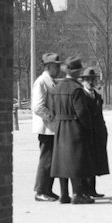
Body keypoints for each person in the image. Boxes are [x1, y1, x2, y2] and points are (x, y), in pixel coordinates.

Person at [49, 58, 90, 203]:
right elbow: (82, 112)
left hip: (60, 127)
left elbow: (52, 110)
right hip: (74, 127)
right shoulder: (76, 89)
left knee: (62, 161)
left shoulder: (56, 88)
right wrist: (88, 127)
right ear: (77, 72)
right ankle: (77, 194)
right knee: (75, 161)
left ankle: (64, 194)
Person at [30, 52, 62, 202]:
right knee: (46, 160)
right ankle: (40, 190)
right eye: (56, 66)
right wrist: (51, 116)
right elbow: (37, 107)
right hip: (46, 128)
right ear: (48, 66)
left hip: (51, 128)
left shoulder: (50, 81)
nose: (58, 69)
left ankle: (47, 189)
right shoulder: (42, 82)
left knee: (52, 160)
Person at [78, 66, 110, 202]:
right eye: (88, 79)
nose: (90, 82)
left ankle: (92, 189)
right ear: (83, 81)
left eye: (92, 79)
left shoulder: (97, 96)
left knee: (95, 161)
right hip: (86, 132)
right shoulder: (81, 95)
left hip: (98, 132)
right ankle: (84, 190)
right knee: (86, 161)